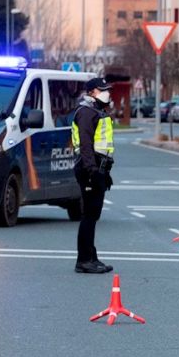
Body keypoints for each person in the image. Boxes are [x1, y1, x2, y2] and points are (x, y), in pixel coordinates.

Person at [71, 77, 116, 274]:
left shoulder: (97, 111)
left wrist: (104, 172)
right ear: (91, 92)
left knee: (93, 214)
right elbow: (86, 145)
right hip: (89, 167)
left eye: (107, 89)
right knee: (89, 215)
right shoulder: (86, 112)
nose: (107, 92)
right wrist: (92, 171)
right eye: (102, 89)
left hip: (98, 167)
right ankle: (83, 260)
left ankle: (91, 255)